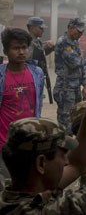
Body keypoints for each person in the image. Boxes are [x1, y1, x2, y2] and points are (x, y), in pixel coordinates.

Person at [0, 57, 86, 213]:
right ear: (41, 164)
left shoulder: (13, 194)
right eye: (62, 155)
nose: (66, 160)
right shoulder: (55, 210)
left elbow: (76, 164)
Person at [0, 28, 45, 189]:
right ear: (5, 51)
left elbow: (38, 103)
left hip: (30, 143)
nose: (21, 52)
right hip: (5, 145)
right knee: (6, 188)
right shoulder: (1, 76)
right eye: (16, 48)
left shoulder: (37, 73)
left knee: (29, 187)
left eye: (24, 47)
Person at [54, 18, 86, 133]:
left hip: (74, 87)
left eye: (81, 32)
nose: (80, 34)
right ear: (70, 28)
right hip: (65, 87)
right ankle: (64, 148)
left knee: (76, 117)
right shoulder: (63, 42)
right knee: (65, 121)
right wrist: (83, 59)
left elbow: (81, 64)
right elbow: (75, 63)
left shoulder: (74, 42)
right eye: (78, 31)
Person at [26, 16, 55, 103]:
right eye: (40, 28)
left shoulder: (38, 42)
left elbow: (41, 54)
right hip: (30, 79)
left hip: (38, 78)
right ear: (32, 28)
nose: (43, 30)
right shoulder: (26, 42)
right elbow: (27, 60)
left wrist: (50, 48)